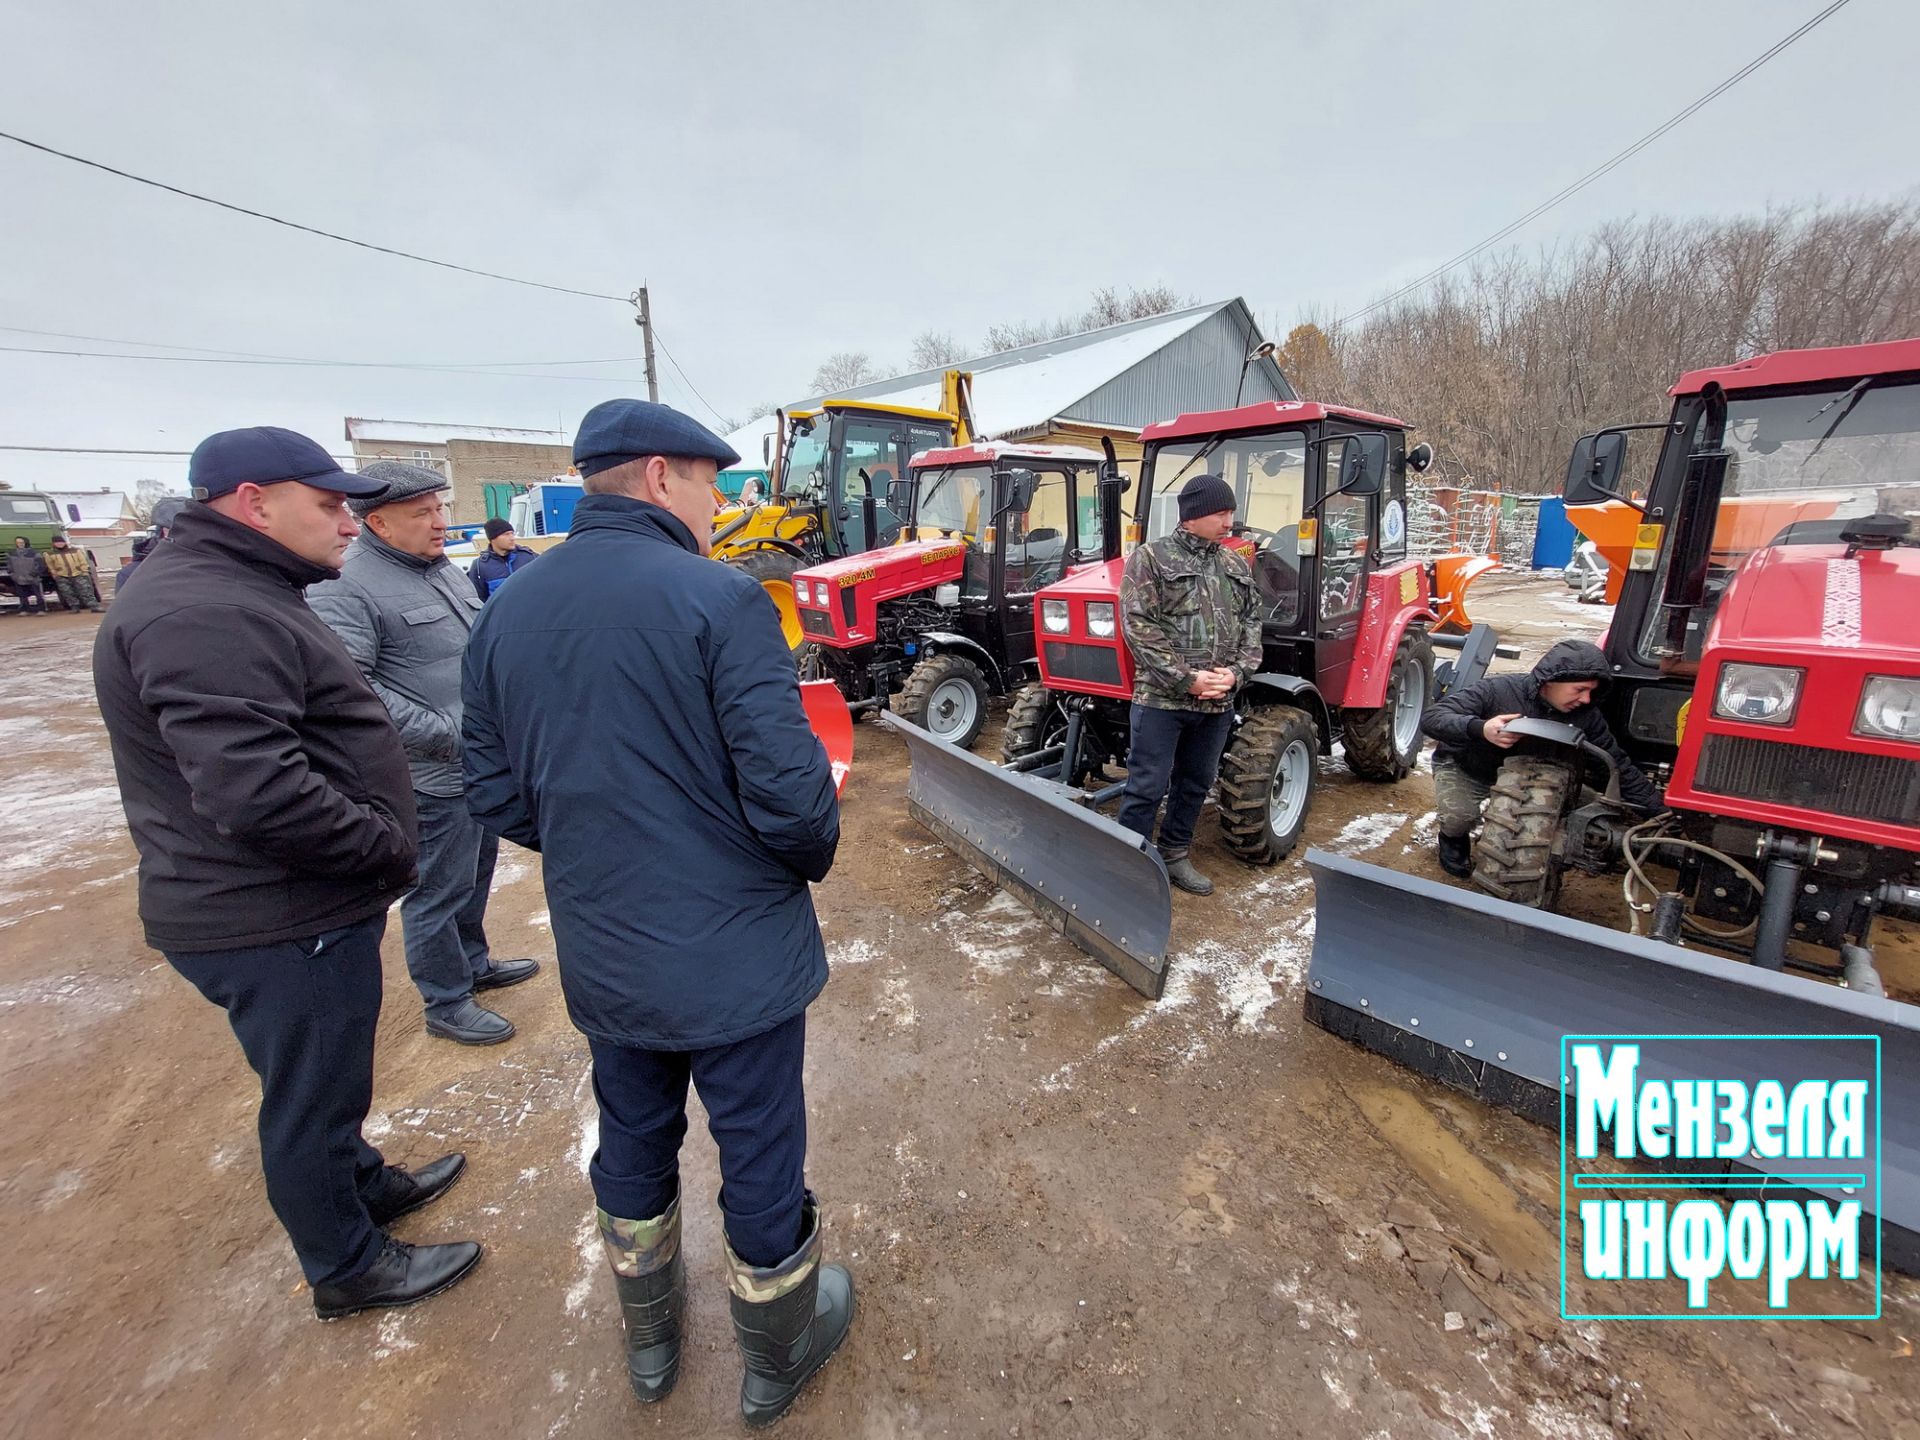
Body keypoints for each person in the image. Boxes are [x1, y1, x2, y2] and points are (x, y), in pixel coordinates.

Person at [463, 399, 850, 1425]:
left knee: (631, 1132)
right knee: (758, 1146)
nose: (721, 503)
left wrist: (607, 845)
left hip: (608, 947)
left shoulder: (507, 608)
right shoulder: (719, 602)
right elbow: (794, 802)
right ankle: (778, 1349)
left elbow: (496, 792)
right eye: (711, 482)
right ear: (659, 478)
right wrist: (787, 853)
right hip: (737, 958)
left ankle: (651, 1338)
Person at [92, 426, 482, 1320]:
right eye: (329, 504)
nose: (348, 524)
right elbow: (257, 792)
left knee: (330, 1080)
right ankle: (348, 1266)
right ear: (253, 501)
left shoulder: (230, 587)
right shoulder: (206, 611)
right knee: (310, 1098)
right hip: (270, 913)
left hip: (280, 903)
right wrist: (389, 844)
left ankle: (363, 1185)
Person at [309, 461, 540, 1046]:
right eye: (425, 513)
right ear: (379, 524)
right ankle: (446, 998)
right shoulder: (345, 586)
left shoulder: (441, 570)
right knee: (436, 890)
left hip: (476, 764)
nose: (441, 522)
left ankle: (473, 962)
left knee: (476, 872)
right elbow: (352, 690)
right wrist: (446, 732)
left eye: (439, 508)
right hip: (428, 774)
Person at [1115, 473, 1262, 896]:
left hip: (1217, 703)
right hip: (1163, 700)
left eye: (1231, 512)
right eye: (1221, 513)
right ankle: (1130, 863)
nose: (1229, 521)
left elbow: (1253, 621)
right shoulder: (1151, 559)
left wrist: (1237, 673)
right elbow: (1137, 625)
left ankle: (1175, 853)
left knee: (1196, 783)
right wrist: (1186, 680)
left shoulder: (1234, 562)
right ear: (1193, 516)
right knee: (1146, 786)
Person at [1422, 637, 1661, 877]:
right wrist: (1481, 729)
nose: (1586, 699)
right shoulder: (1497, 690)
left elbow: (1615, 765)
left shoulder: (1587, 716)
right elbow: (1433, 718)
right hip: (1471, 769)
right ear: (1551, 681)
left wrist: (1660, 813)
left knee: (1598, 818)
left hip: (1539, 780)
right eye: (1580, 690)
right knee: (1458, 818)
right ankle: (1452, 840)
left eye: (1592, 691)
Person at [468, 517, 538, 601]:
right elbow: (478, 600)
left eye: (512, 533)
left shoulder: (529, 557)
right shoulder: (480, 566)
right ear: (493, 538)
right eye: (506, 534)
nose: (512, 538)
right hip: (500, 613)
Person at [44, 534, 103, 612]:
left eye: (61, 542)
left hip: (78, 574)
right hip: (62, 576)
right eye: (57, 542)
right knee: (68, 593)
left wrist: (84, 572)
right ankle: (74, 607)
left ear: (65, 542)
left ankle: (94, 606)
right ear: (53, 544)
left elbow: (83, 561)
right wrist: (55, 575)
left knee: (86, 591)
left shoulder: (75, 551)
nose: (59, 544)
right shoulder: (49, 554)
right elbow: (50, 565)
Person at [7, 536, 48, 615]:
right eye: (18, 542)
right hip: (18, 577)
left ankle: (41, 610)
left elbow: (40, 564)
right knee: (22, 595)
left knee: (38, 594)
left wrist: (34, 573)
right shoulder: (11, 553)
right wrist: (12, 574)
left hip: (32, 577)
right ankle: (24, 610)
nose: (20, 544)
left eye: (22, 542)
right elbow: (9, 565)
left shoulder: (34, 552)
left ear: (26, 543)